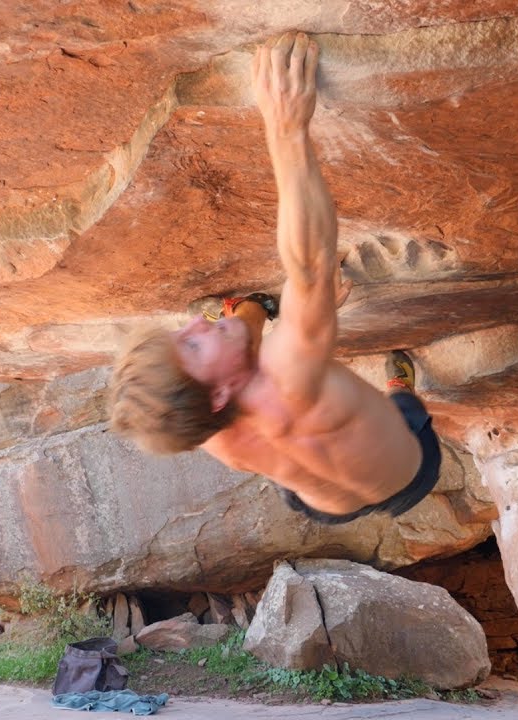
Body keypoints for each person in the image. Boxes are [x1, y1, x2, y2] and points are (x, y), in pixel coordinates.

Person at [108, 31, 441, 524]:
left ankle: (268, 313)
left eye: (185, 332)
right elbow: (310, 265)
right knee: (404, 407)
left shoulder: (203, 430)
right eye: (193, 346)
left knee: (251, 346)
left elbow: (222, 365)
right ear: (218, 394)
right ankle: (399, 386)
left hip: (327, 507)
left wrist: (257, 318)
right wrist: (286, 126)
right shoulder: (290, 371)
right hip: (409, 469)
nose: (194, 324)